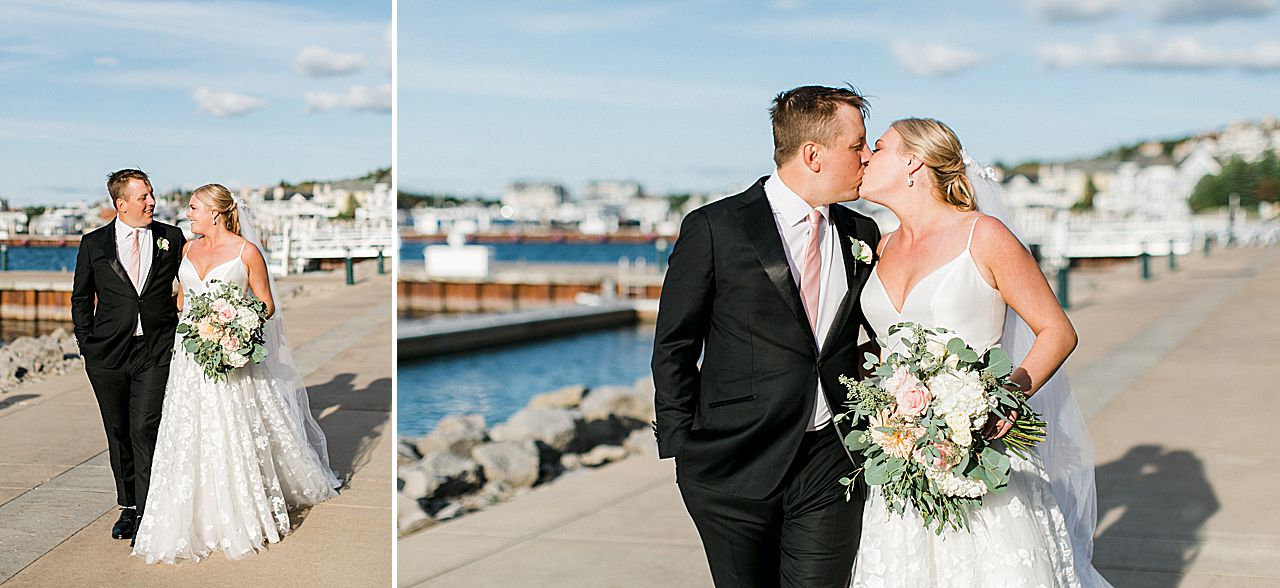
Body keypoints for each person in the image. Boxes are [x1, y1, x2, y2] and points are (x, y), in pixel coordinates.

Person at [849, 118, 1111, 586]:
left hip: (980, 453)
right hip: (900, 459)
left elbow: (1056, 330)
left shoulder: (983, 236)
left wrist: (1002, 401)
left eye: (879, 147)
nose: (865, 155)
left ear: (913, 161)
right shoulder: (881, 245)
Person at [651, 85, 880, 587]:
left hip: (832, 460)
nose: (868, 157)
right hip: (733, 466)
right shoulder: (715, 227)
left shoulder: (863, 234)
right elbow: (674, 344)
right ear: (813, 154)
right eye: (858, 145)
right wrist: (684, 448)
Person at [131, 183, 339, 564]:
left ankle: (237, 509)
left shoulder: (247, 252)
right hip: (190, 357)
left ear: (214, 211)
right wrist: (192, 322)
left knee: (230, 428)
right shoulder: (188, 249)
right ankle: (189, 514)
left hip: (229, 357)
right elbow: (182, 299)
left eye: (193, 208)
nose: (187, 214)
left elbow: (266, 304)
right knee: (189, 430)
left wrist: (235, 331)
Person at [72, 169, 188, 544]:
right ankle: (128, 506)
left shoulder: (171, 237)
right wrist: (87, 344)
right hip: (107, 354)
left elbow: (194, 278)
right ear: (121, 205)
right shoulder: (93, 244)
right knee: (118, 430)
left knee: (144, 428)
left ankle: (147, 510)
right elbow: (80, 298)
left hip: (154, 350)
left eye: (151, 194)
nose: (151, 202)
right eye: (143, 197)